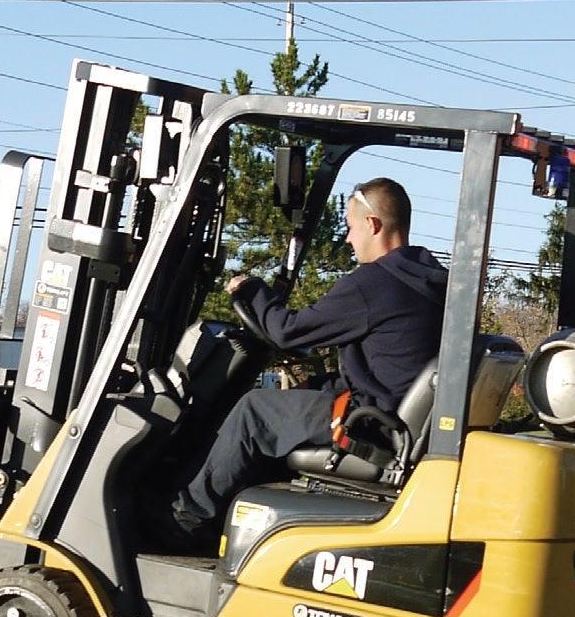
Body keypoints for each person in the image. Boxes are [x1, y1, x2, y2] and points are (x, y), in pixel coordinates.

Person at [161, 177, 448, 545]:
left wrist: (252, 290)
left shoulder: (374, 284)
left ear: (372, 225)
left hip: (370, 425)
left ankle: (184, 522)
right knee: (302, 394)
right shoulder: (431, 281)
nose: (347, 239)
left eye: (349, 227)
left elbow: (287, 331)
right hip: (396, 416)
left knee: (254, 411)